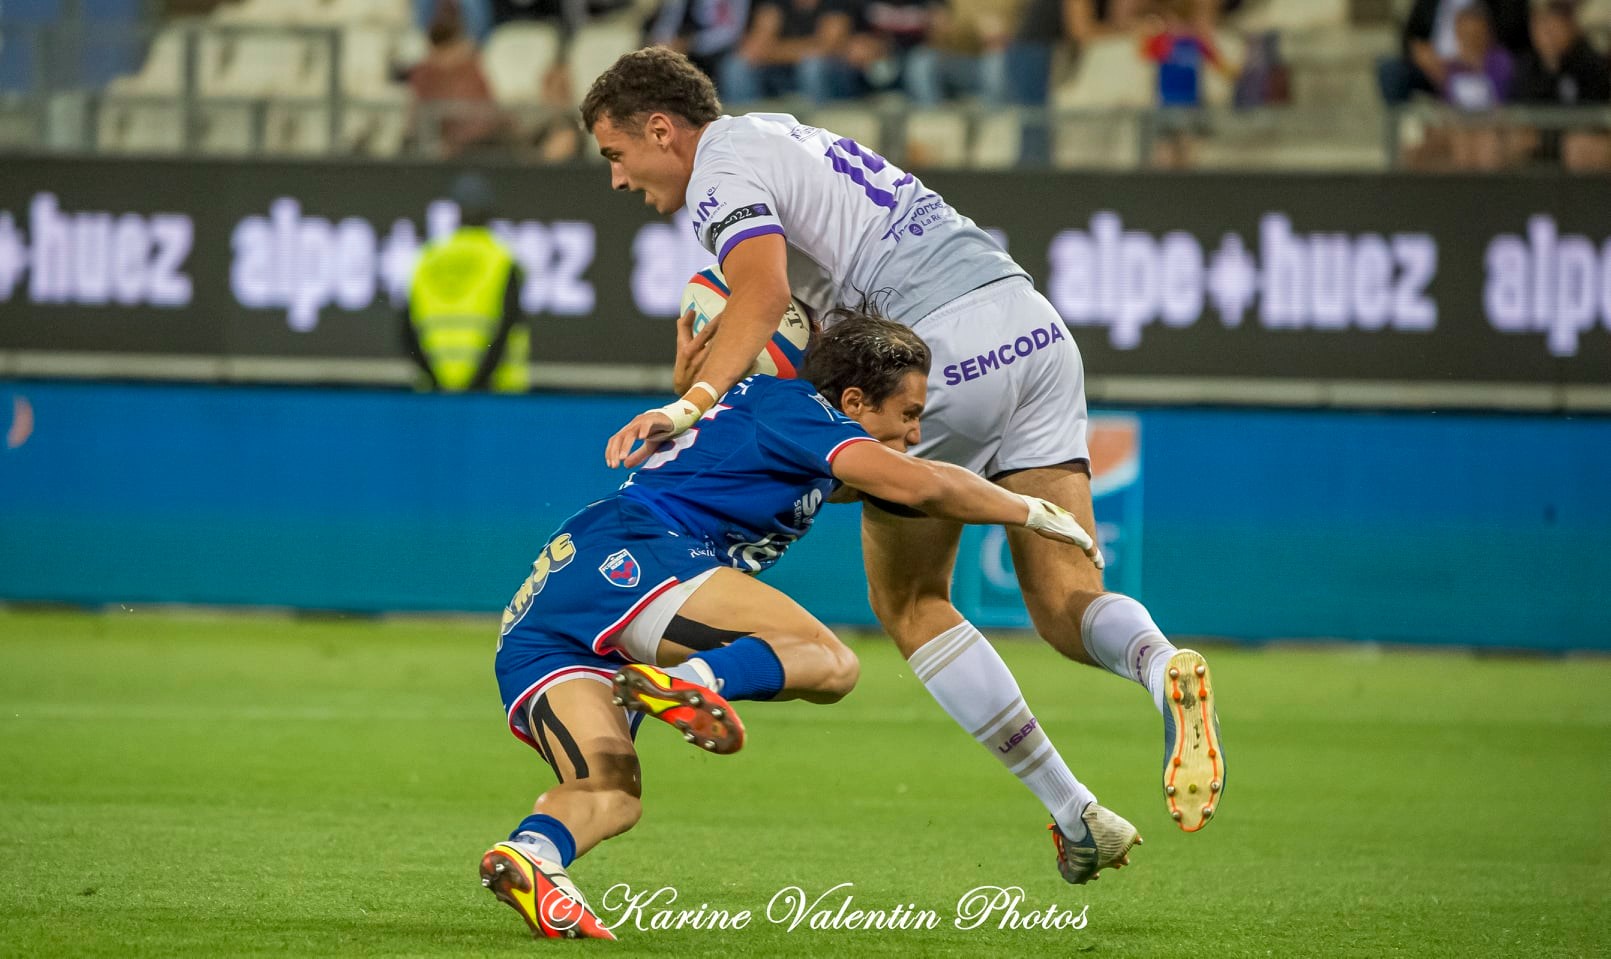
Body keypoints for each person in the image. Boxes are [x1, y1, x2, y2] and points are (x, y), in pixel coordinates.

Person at [581, 48, 1227, 887]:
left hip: (935, 346)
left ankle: (1075, 811)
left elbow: (763, 294)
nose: (616, 178)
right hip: (1032, 326)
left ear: (662, 129)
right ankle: (1158, 663)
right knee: (1064, 603)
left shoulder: (719, 170)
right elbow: (801, 320)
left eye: (615, 153)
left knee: (912, 599)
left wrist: (690, 401)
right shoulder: (778, 135)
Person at [479, 312, 1113, 939]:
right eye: (909, 413)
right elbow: (919, 485)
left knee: (611, 793)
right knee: (830, 663)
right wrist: (1030, 509)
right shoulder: (794, 406)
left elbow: (897, 478)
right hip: (638, 553)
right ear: (854, 400)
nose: (916, 432)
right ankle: (690, 681)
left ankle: (533, 856)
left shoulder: (775, 423)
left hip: (544, 622)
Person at [403, 173, 531, 392]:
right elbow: (508, 325)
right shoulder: (501, 259)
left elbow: (406, 329)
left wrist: (438, 379)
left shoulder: (428, 258)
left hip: (436, 395)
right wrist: (475, 382)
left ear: (456, 212)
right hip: (493, 393)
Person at [1511, 0, 1611, 172]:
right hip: (1541, 139)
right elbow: (1519, 108)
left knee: (1577, 145)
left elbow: (1594, 115)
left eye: (1553, 26)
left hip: (1578, 139)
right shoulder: (1527, 67)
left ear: (1570, 27)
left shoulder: (1589, 63)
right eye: (1541, 26)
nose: (1546, 34)